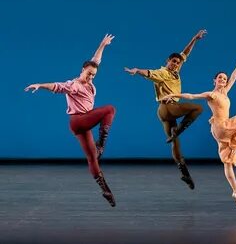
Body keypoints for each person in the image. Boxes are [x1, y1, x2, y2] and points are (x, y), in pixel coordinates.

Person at [24, 34, 117, 207]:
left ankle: (105, 190)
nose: (91, 77)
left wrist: (103, 45)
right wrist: (40, 85)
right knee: (110, 109)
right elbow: (57, 86)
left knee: (92, 158)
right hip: (79, 120)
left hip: (82, 124)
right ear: (82, 70)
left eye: (94, 75)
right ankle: (101, 144)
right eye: (88, 74)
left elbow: (95, 61)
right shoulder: (74, 84)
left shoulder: (90, 79)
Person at [162, 58, 236, 208]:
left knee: (227, 162)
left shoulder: (225, 93)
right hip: (221, 126)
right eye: (220, 78)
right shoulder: (212, 94)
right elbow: (193, 96)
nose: (223, 79)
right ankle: (234, 146)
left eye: (224, 78)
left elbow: (234, 77)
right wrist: (174, 96)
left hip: (222, 129)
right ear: (215, 81)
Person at [124, 29, 207, 190]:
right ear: (167, 61)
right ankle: (179, 130)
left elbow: (185, 53)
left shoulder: (176, 71)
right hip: (168, 107)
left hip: (164, 114)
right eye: (173, 62)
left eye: (177, 62)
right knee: (197, 107)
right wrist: (137, 71)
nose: (176, 64)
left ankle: (184, 173)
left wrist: (195, 38)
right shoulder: (163, 72)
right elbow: (150, 73)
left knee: (175, 144)